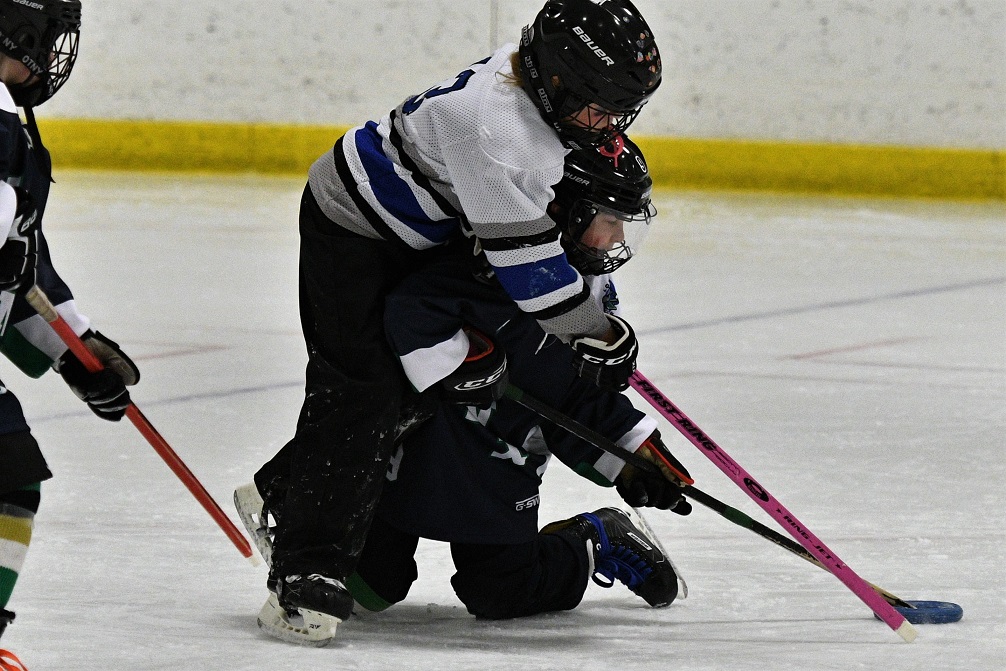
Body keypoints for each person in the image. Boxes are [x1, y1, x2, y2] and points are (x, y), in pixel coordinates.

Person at [245, 0, 663, 645]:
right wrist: (597, 335)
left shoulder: (536, 89)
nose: (608, 123)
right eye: (599, 106)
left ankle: (294, 489)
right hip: (354, 230)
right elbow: (533, 279)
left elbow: (538, 299)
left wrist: (622, 438)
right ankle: (309, 570)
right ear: (557, 80)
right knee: (364, 385)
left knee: (421, 374)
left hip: (426, 230)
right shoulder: (496, 131)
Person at [0, 0, 140, 661]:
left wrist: (77, 351)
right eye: (47, 35)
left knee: (8, 472)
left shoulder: (13, 134)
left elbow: (22, 268)